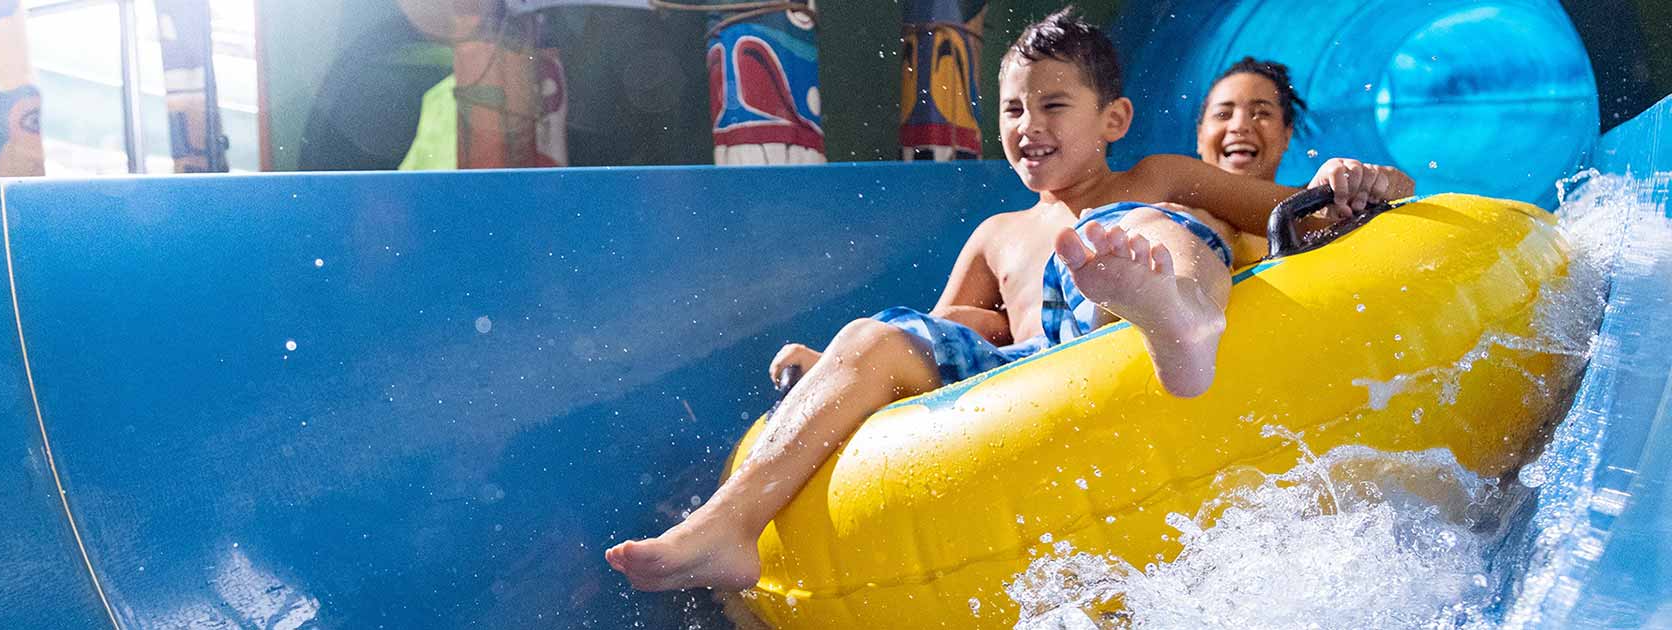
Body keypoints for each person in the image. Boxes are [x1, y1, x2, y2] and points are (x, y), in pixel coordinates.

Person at [604, 7, 1413, 592]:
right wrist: (840, 362)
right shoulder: (998, 232)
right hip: (1033, 364)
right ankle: (728, 525)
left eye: (1054, 105)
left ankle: (1178, 316)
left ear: (1113, 119)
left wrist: (1357, 183)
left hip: (1127, 324)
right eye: (1015, 108)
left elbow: (1286, 215)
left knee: (1147, 228)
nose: (1029, 124)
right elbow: (949, 328)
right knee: (873, 332)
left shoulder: (1152, 178)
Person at [1196, 56, 1311, 262]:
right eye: (1223, 114)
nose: (1239, 125)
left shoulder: (1315, 207)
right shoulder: (1174, 217)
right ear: (1200, 136)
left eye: (1261, 113)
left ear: (1287, 134)